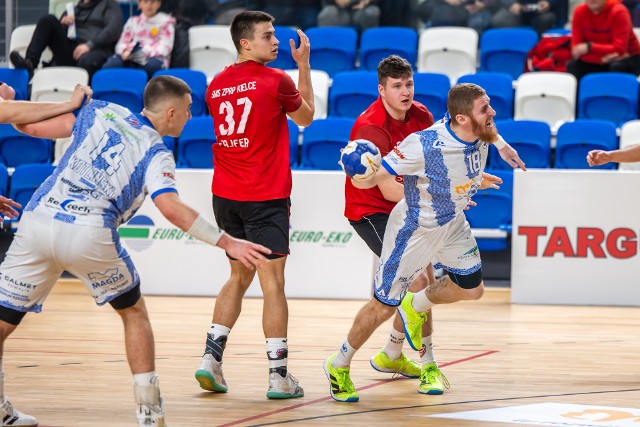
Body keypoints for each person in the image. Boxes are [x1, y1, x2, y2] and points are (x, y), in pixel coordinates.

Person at [0, 76, 272, 426]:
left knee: (4, 324)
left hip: (39, 221)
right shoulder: (157, 152)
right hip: (90, 232)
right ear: (171, 112)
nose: (190, 118)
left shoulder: (101, 111)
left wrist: (15, 102)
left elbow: (27, 126)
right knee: (134, 313)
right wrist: (227, 241)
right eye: (188, 111)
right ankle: (150, 414)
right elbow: (171, 208)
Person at [325, 83, 526, 402]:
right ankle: (339, 363)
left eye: (489, 105)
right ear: (461, 119)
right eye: (485, 108)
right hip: (414, 230)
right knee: (381, 306)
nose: (492, 113)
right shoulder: (425, 144)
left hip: (453, 223)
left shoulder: (480, 128)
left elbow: (483, 141)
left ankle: (415, 305)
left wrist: (474, 179)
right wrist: (360, 171)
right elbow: (378, 176)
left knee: (473, 289)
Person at [194, 11, 314, 399]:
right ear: (246, 43)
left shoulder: (215, 86)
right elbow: (306, 119)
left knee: (239, 277)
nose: (276, 41)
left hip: (225, 197)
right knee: (272, 283)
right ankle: (278, 377)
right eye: (267, 36)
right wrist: (304, 67)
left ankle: (210, 361)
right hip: (264, 196)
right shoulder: (276, 80)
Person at [344, 55, 449, 394]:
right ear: (381, 89)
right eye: (396, 86)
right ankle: (428, 363)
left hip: (410, 205)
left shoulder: (421, 115)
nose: (405, 92)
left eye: (409, 85)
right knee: (417, 280)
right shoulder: (370, 128)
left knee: (427, 283)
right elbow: (387, 188)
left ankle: (392, 351)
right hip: (371, 211)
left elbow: (432, 165)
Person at [9, 0, 123, 80]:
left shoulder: (110, 5)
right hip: (70, 51)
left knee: (87, 60)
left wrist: (89, 45)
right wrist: (62, 23)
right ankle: (29, 64)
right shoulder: (74, 8)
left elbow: (113, 30)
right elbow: (56, 32)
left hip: (95, 51)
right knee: (48, 20)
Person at [567, 0, 640, 81]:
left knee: (616, 66)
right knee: (573, 65)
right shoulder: (579, 11)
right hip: (601, 58)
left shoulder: (619, 11)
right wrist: (600, 59)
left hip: (629, 57)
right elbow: (575, 50)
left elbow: (620, 49)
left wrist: (589, 47)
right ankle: (580, 93)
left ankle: (615, 93)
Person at [102, 0, 176, 79]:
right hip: (130, 56)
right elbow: (122, 42)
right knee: (112, 64)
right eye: (145, 2)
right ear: (140, 4)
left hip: (153, 58)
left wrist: (140, 53)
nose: (149, 5)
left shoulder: (166, 22)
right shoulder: (132, 21)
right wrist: (124, 51)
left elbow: (164, 48)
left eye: (153, 2)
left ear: (158, 4)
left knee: (149, 67)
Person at [417, 0, 499, 34]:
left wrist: (483, 4)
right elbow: (422, 10)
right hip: (441, 10)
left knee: (477, 22)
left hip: (472, 10)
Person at [491, 0, 557, 36]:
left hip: (542, 12)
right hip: (518, 11)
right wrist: (511, 3)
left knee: (547, 19)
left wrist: (548, 2)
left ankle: (537, 51)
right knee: (498, 21)